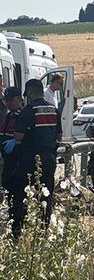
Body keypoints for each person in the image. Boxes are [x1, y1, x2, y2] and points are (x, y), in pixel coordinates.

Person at [5, 79, 61, 237]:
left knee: (20, 192)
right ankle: (44, 230)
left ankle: (17, 231)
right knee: (46, 194)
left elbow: (18, 135)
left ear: (30, 92)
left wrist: (16, 141)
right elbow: (59, 135)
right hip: (49, 158)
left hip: (29, 158)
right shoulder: (53, 110)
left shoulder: (28, 111)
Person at [0, 87, 23, 204]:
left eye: (10, 100)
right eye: (6, 101)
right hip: (8, 159)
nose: (7, 103)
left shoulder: (23, 115)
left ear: (18, 99)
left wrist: (16, 142)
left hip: (18, 160)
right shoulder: (9, 116)